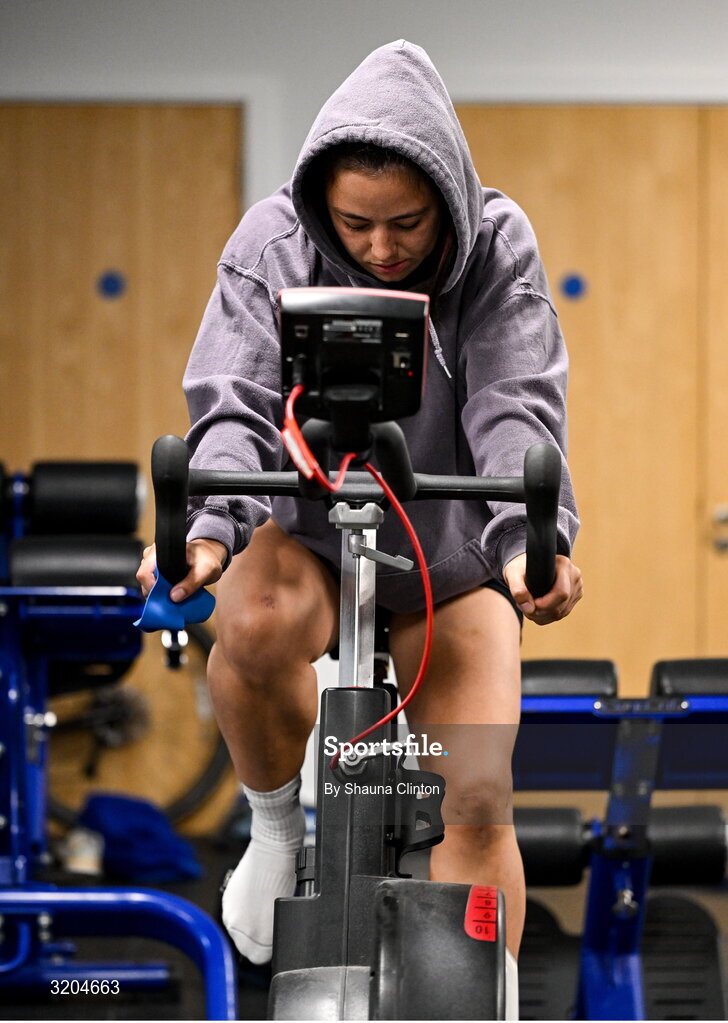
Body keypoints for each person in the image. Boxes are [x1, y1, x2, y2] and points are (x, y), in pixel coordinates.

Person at [137, 39, 582, 1016]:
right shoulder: (270, 244)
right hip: (303, 527)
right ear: (319, 206)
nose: (382, 249)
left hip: (445, 550)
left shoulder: (498, 245)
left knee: (469, 788)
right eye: (356, 225)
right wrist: (208, 528)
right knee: (251, 630)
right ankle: (273, 831)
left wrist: (523, 543)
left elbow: (515, 405)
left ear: (446, 205)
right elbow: (234, 398)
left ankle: (477, 995)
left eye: (407, 225)